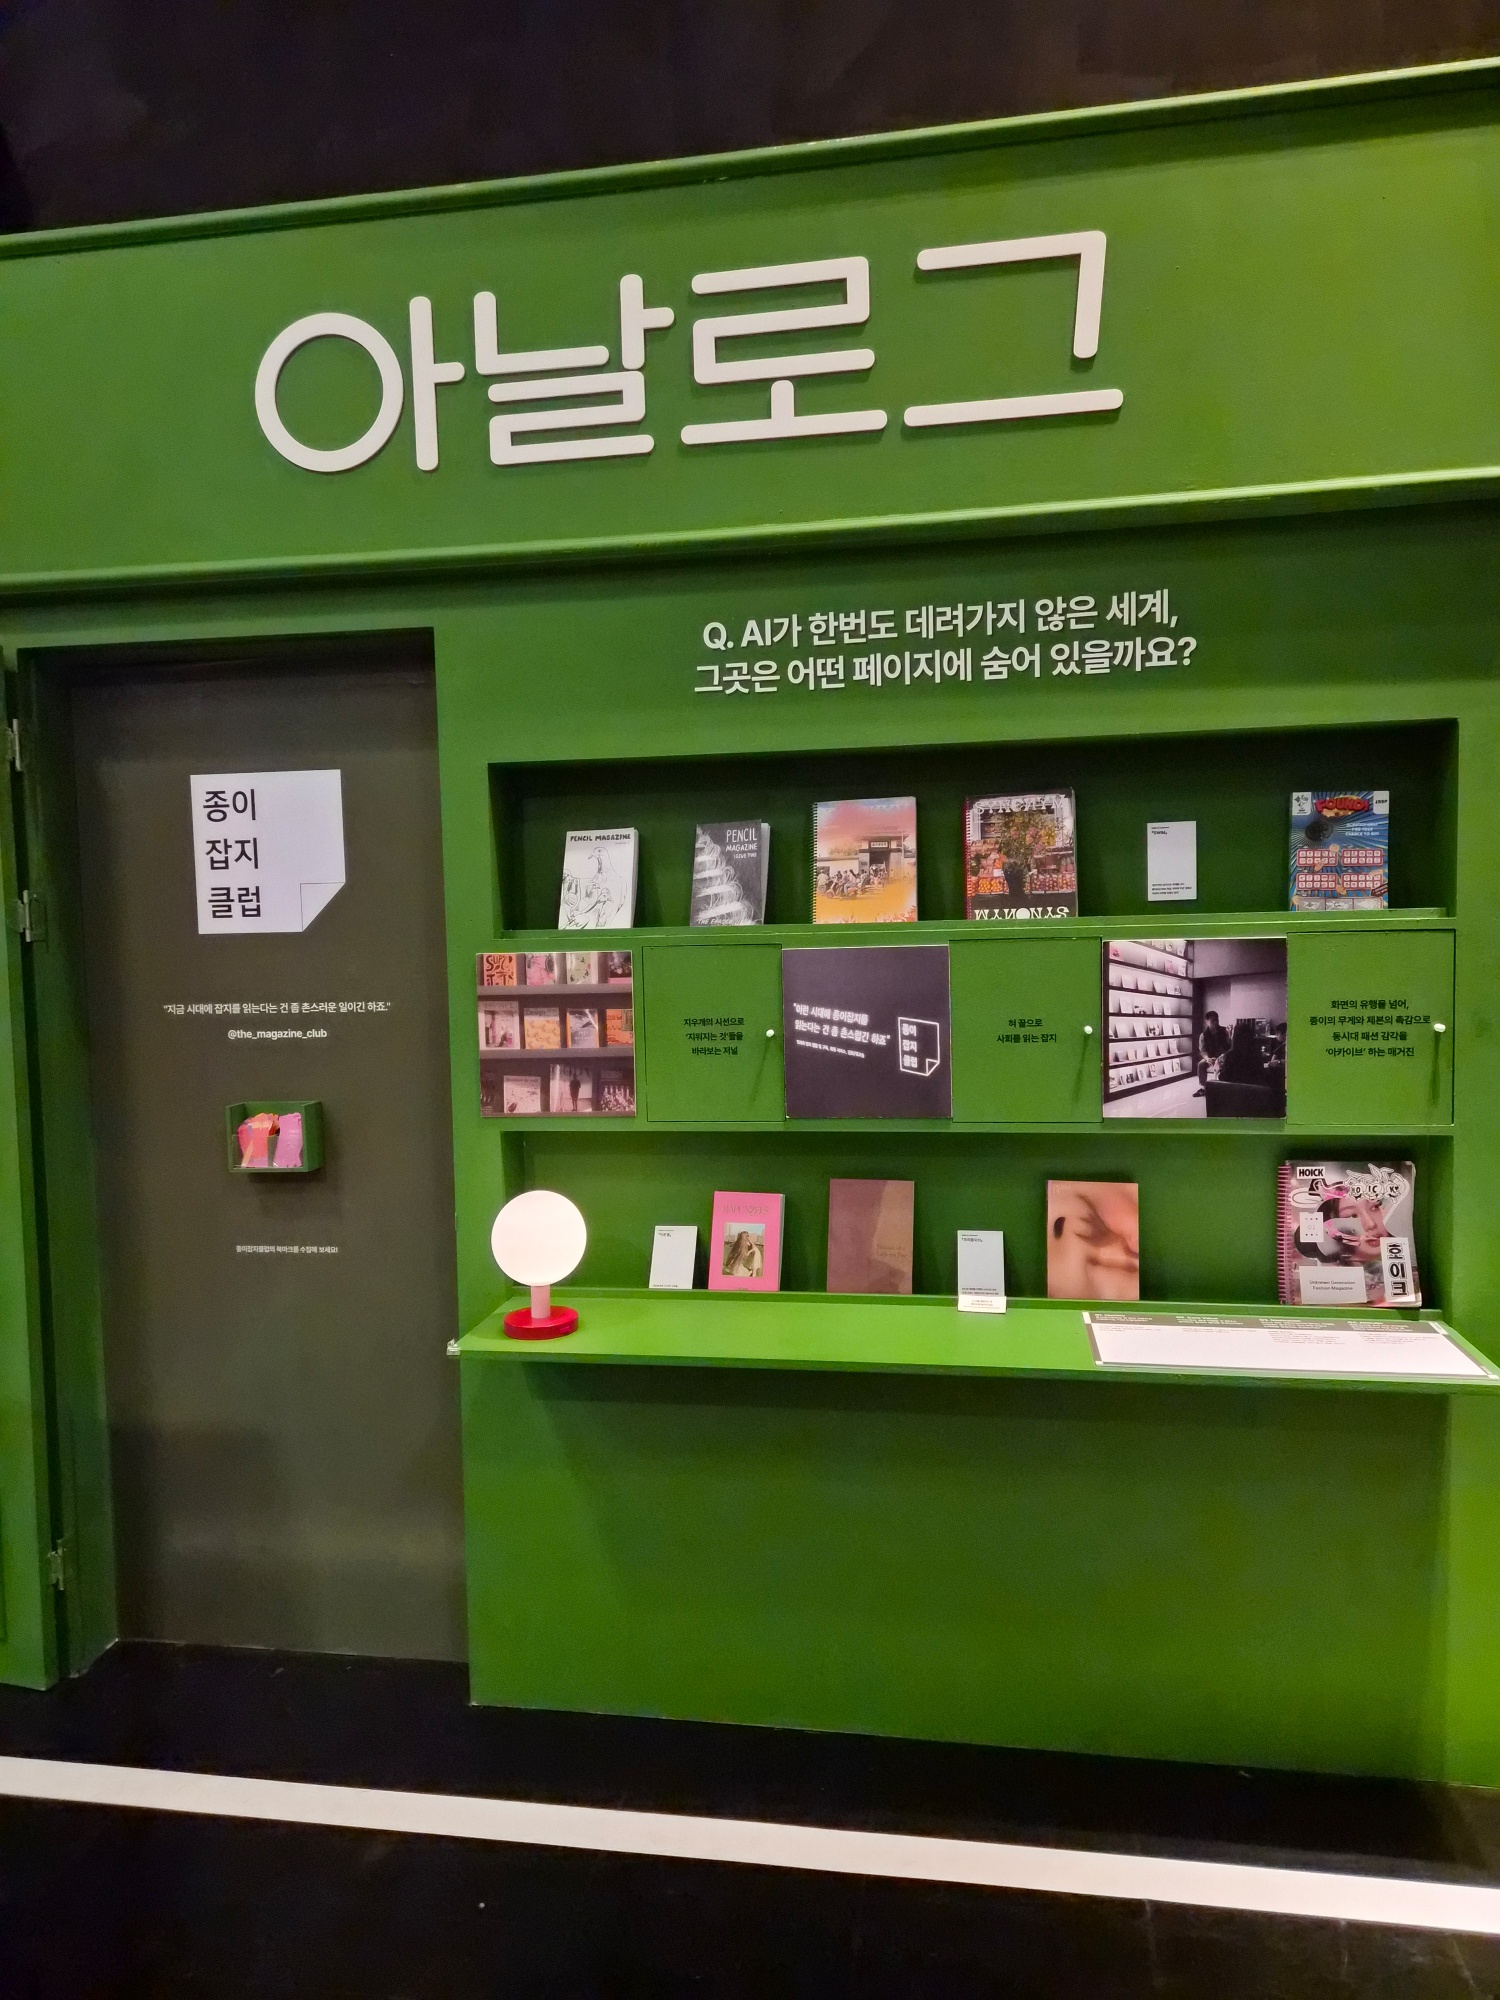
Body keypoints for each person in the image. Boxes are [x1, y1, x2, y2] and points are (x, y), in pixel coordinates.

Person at [1194, 1009, 1231, 1096]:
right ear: (1207, 1022)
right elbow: (1203, 1050)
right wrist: (1207, 1058)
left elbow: (1230, 1046)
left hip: (1224, 1056)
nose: (1215, 1023)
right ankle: (1204, 1087)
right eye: (1212, 1021)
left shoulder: (1225, 1031)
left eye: (1216, 1020)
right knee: (1201, 1064)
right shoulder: (1203, 1035)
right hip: (1211, 1057)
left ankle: (1226, 1087)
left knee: (1229, 1063)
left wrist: (1230, 1035)